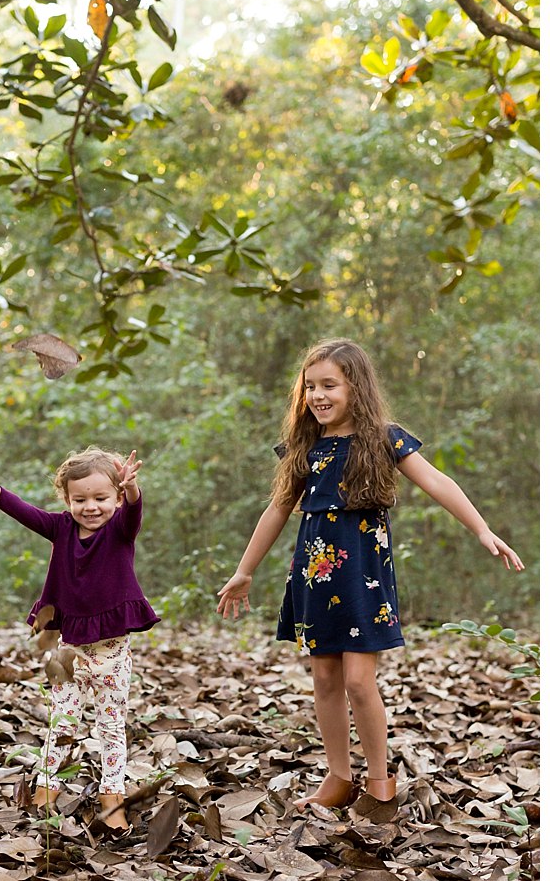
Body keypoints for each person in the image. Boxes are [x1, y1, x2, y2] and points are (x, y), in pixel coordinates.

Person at [217, 338, 522, 810]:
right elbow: (278, 509)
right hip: (315, 574)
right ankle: (338, 777)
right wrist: (244, 571)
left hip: (363, 573)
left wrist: (481, 529)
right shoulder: (307, 446)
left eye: (329, 385)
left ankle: (380, 782)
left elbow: (438, 480)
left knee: (359, 681)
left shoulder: (384, 437)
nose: (318, 395)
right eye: (310, 386)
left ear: (355, 386)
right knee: (324, 678)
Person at [0, 447, 157, 831]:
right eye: (80, 499)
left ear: (113, 497)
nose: (91, 507)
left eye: (101, 498)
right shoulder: (61, 528)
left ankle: (112, 798)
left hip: (112, 647)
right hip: (67, 644)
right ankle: (46, 791)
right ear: (67, 499)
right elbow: (23, 511)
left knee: (111, 723)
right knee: (62, 719)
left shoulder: (119, 529)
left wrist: (131, 490)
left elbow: (133, 512)